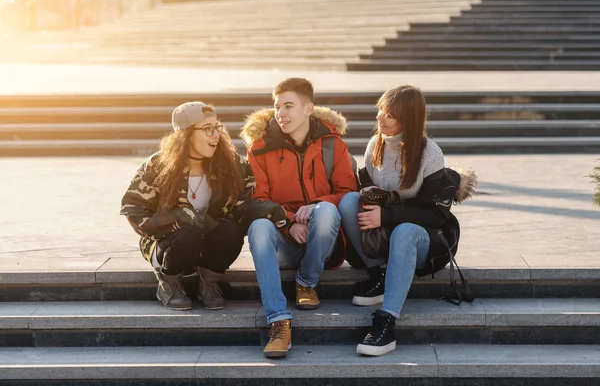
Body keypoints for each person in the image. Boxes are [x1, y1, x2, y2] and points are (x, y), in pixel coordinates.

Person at [338, 85, 476, 357]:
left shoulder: (430, 153)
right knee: (347, 203)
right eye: (380, 109)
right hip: (386, 234)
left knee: (404, 231)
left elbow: (437, 215)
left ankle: (386, 321)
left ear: (408, 119)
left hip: (425, 239)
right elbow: (366, 193)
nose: (380, 117)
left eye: (389, 114)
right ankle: (380, 274)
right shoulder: (374, 145)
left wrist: (386, 215)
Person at [241, 77, 358, 358]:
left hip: (323, 244)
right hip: (284, 243)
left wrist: (317, 203)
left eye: (289, 106)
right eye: (277, 106)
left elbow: (348, 192)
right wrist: (288, 221)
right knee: (258, 225)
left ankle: (307, 281)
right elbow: (258, 199)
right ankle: (279, 320)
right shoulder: (260, 148)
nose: (281, 113)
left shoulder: (332, 145)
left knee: (328, 210)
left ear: (308, 109)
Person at [120, 102, 255, 311]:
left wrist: (272, 213)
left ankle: (209, 283)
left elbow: (247, 202)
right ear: (186, 134)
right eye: (207, 129)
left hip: (208, 243)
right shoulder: (157, 166)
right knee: (187, 235)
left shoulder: (232, 164)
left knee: (230, 231)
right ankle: (169, 284)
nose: (215, 135)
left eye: (217, 127)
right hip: (169, 244)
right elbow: (134, 210)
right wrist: (179, 217)